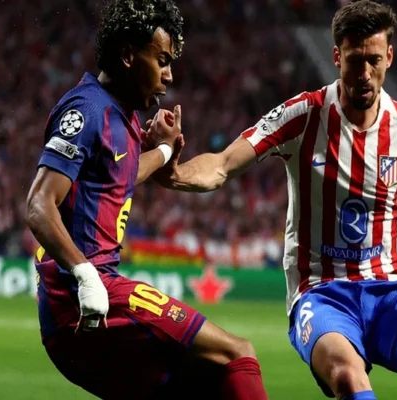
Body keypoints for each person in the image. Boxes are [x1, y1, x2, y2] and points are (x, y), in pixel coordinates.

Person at [150, 2, 397, 399]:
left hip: (390, 288)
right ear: (336, 57)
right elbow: (224, 164)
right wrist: (173, 172)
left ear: (389, 57)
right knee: (349, 378)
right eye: (354, 61)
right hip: (321, 291)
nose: (364, 74)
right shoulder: (304, 114)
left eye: (373, 60)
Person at [24, 1, 268, 399]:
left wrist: (166, 152)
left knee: (202, 386)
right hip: (83, 298)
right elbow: (38, 204)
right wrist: (86, 276)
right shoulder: (87, 110)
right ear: (127, 56)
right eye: (162, 61)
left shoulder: (123, 117)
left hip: (84, 311)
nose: (169, 75)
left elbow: (120, 175)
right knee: (237, 355)